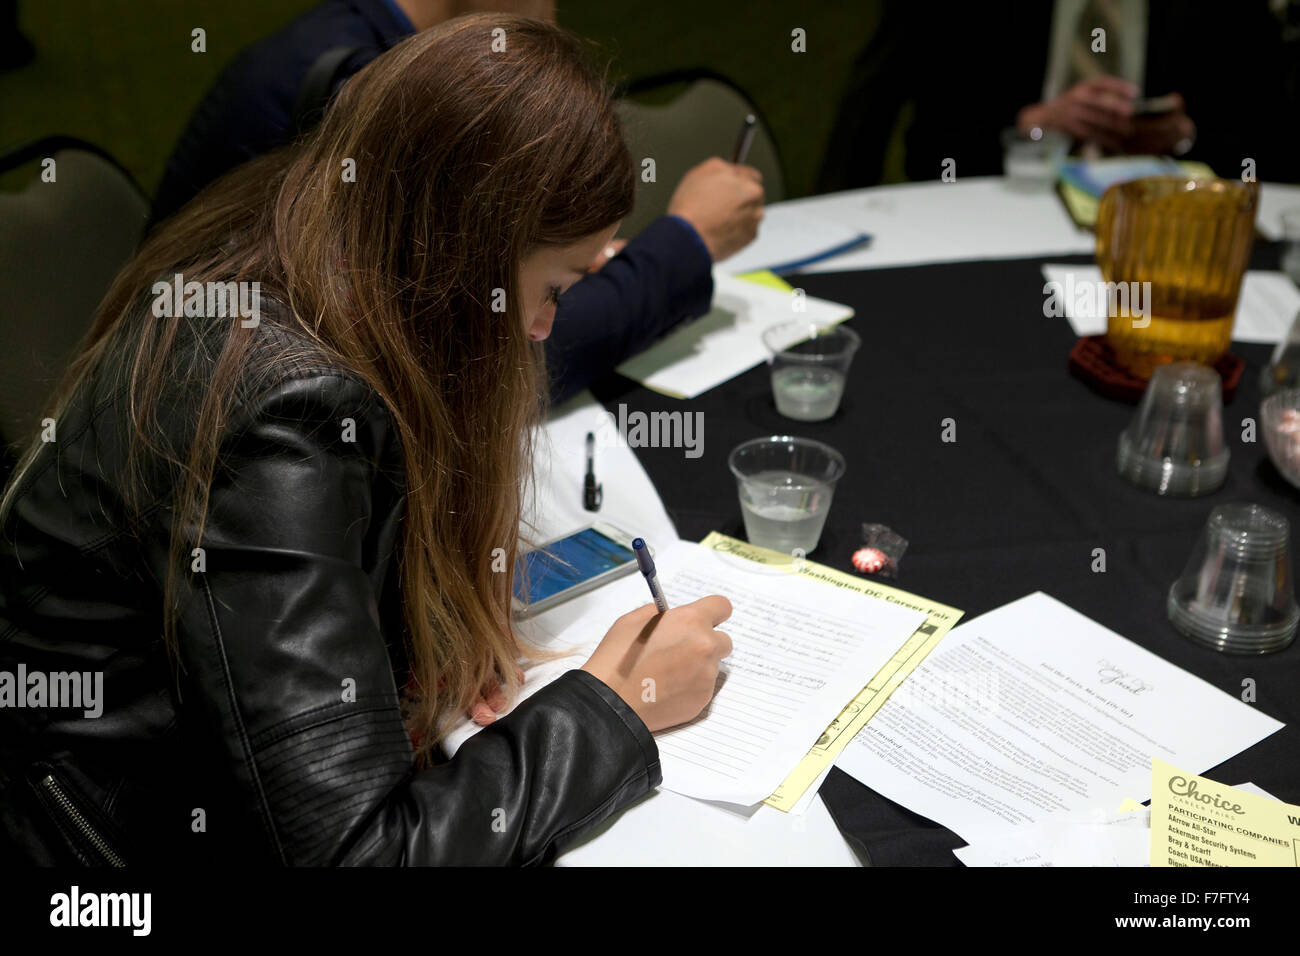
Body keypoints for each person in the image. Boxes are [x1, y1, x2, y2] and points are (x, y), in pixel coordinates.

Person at [0, 14, 733, 866]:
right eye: (552, 288)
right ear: (463, 258)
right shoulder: (282, 417)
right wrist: (615, 709)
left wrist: (402, 647)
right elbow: (358, 856)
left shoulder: (306, 232)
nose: (540, 329)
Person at [150, 0, 766, 404]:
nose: (555, 17)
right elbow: (488, 359)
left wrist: (546, 266)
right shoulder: (377, 95)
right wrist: (687, 241)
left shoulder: (354, 45)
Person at [818, 0, 1291, 190]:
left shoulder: (1225, 10)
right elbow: (928, 145)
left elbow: (1268, 143)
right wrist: (1033, 126)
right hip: (1008, 198)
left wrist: (1185, 137)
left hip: (1167, 214)